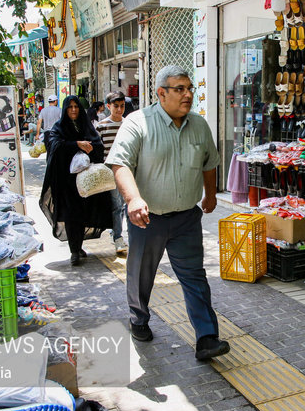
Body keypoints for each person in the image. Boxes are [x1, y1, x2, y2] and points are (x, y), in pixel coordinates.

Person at [107, 65, 229, 361]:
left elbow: (209, 162)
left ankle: (206, 337)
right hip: (147, 219)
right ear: (161, 93)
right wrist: (133, 199)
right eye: (180, 89)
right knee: (140, 275)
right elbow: (119, 163)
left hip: (186, 217)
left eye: (190, 89)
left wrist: (210, 194)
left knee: (194, 276)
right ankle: (138, 318)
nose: (188, 95)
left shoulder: (199, 125)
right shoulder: (138, 122)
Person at [40, 96, 112, 266]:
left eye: (76, 107)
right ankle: (74, 251)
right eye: (70, 107)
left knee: (82, 214)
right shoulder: (59, 128)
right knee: (71, 215)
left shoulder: (86, 125)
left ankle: (78, 246)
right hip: (67, 182)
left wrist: (89, 147)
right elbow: (54, 147)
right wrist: (76, 145)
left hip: (85, 183)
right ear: (65, 110)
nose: (73, 110)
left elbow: (98, 145)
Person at [96, 92, 128, 254]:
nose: (120, 109)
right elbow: (98, 150)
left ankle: (116, 232)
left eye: (122, 106)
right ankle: (118, 237)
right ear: (108, 106)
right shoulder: (101, 126)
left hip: (128, 169)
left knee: (125, 204)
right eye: (116, 106)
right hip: (110, 171)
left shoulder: (128, 124)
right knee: (117, 205)